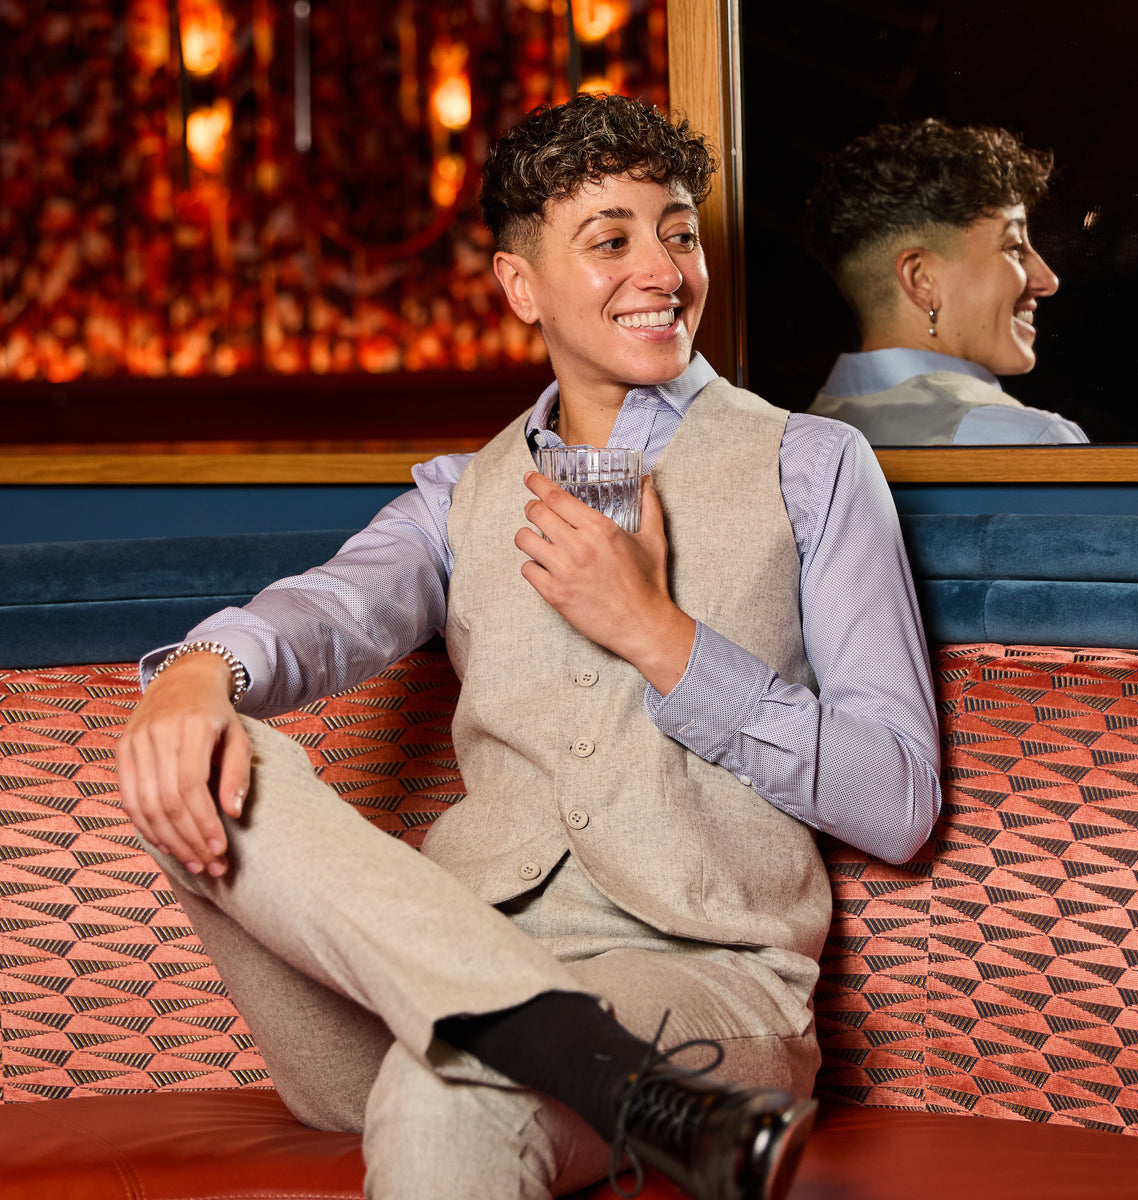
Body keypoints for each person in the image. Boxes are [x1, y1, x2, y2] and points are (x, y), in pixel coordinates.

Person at [115, 93, 941, 1200]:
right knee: (207, 744)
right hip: (408, 997)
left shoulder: (814, 467)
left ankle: (554, 1054)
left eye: (680, 231)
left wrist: (665, 640)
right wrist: (195, 677)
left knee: (458, 1084)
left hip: (700, 995)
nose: (664, 268)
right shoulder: (461, 499)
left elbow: (898, 799)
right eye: (611, 239)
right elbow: (331, 610)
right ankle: (566, 1053)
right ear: (520, 288)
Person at [803, 118, 1089, 445]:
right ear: (921, 279)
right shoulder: (1034, 441)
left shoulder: (801, 440)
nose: (1048, 280)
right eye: (1013, 247)